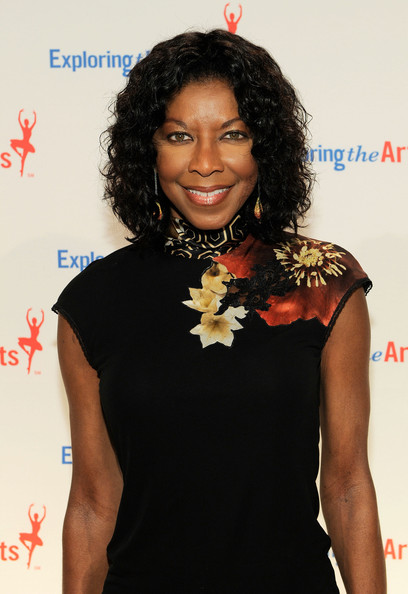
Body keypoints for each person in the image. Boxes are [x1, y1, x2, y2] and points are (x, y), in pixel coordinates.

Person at [53, 30, 386, 593]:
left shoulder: (323, 283)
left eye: (233, 134)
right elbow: (91, 502)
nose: (206, 163)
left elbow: (348, 485)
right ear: (148, 149)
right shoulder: (92, 301)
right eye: (179, 136)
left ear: (265, 146)